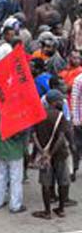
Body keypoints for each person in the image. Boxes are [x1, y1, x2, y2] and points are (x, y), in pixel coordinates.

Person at [32, 89, 72, 219]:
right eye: (60, 100)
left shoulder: (39, 115)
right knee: (63, 181)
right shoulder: (60, 116)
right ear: (54, 102)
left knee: (46, 183)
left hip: (44, 154)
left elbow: (34, 136)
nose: (62, 102)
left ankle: (47, 211)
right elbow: (61, 137)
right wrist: (52, 153)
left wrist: (43, 152)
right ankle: (60, 209)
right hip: (60, 153)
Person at [0, 99, 28, 214]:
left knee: (1, 175)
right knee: (15, 178)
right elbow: (22, 132)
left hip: (0, 147)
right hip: (14, 150)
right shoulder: (19, 113)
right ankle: (15, 205)